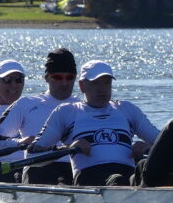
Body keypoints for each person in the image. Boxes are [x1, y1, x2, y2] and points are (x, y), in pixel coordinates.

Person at [27, 60, 159, 186]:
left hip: (127, 176)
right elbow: (32, 155)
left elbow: (165, 144)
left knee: (145, 166)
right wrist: (67, 149)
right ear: (82, 86)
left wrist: (148, 148)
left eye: (106, 83)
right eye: (96, 83)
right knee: (118, 179)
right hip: (89, 177)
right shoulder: (67, 112)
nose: (102, 89)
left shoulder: (126, 109)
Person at [0, 48, 81, 185]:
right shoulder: (26, 105)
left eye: (69, 77)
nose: (64, 83)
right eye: (58, 77)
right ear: (46, 77)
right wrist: (18, 143)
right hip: (38, 169)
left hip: (73, 170)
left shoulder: (83, 107)